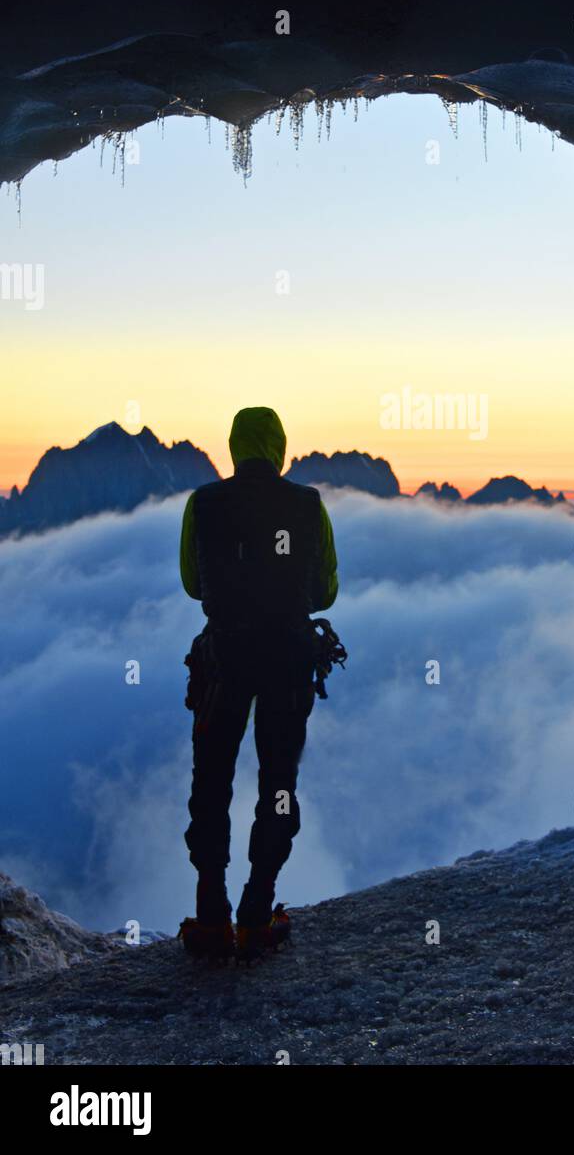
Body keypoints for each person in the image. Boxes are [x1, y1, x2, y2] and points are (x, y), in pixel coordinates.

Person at [177, 406, 338, 960]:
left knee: (212, 778)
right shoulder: (308, 505)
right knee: (277, 782)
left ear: (233, 446)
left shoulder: (204, 504)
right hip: (287, 660)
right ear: (278, 448)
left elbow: (194, 585)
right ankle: (255, 912)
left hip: (224, 658)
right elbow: (324, 592)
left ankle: (210, 915)